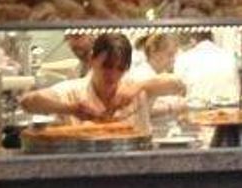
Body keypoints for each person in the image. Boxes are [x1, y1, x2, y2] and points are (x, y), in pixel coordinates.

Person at [20, 33, 185, 130]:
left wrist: (139, 86)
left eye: (120, 69)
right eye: (106, 66)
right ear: (92, 60)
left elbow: (177, 84)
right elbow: (28, 102)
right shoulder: (72, 91)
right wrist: (70, 109)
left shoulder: (135, 90)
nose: (113, 75)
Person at [175, 31, 239, 103]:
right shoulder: (229, 57)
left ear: (192, 40)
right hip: (229, 110)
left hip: (195, 110)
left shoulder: (184, 58)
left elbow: (178, 90)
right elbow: (237, 88)